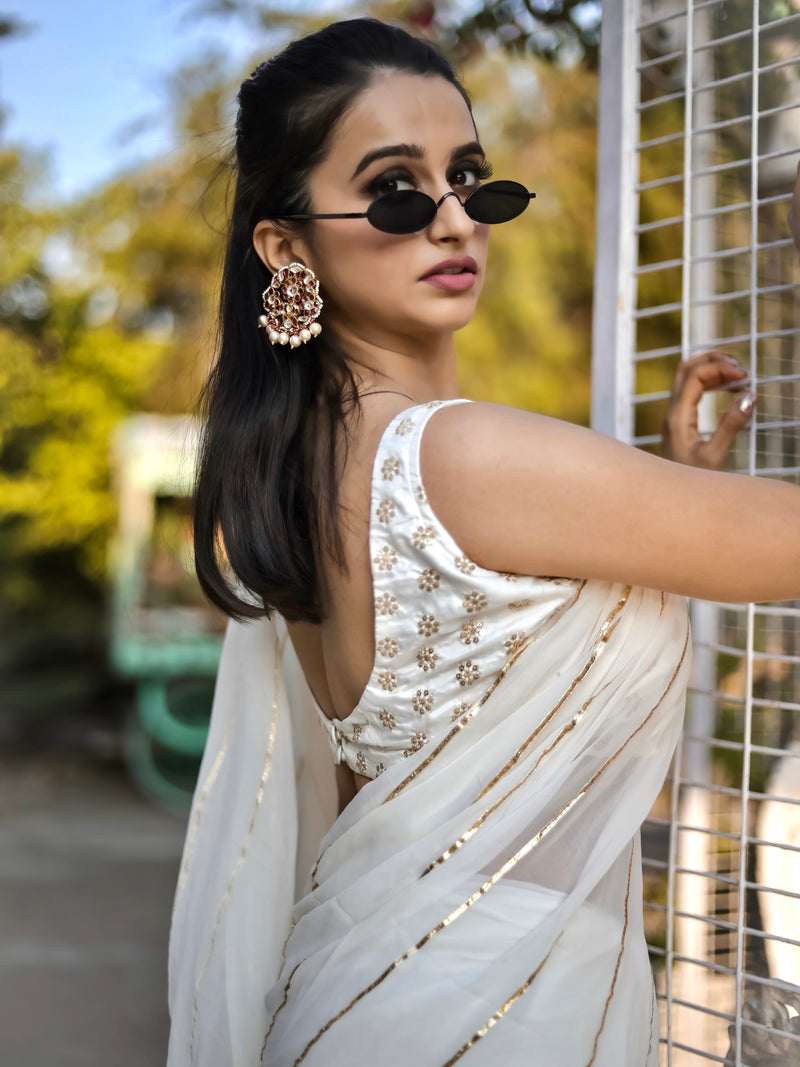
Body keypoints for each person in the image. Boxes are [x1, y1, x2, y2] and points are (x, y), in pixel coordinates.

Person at [166, 19, 800, 1066]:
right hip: (499, 1017)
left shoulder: (302, 473)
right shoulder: (463, 458)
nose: (454, 221)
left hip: (369, 998)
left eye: (471, 179)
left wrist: (677, 490)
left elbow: (434, 771)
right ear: (286, 245)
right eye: (396, 192)